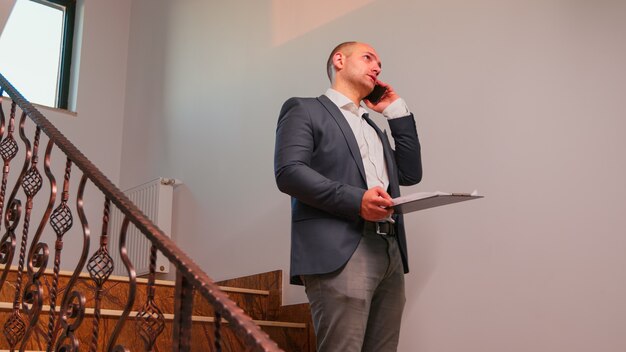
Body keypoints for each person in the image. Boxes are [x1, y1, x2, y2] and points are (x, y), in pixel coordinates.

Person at [274, 41, 422, 352]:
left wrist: (395, 113)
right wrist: (357, 201)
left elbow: (410, 174)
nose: (377, 67)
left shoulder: (373, 127)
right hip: (339, 250)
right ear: (339, 60)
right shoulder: (304, 109)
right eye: (369, 58)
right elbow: (289, 172)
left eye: (380, 63)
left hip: (390, 249)